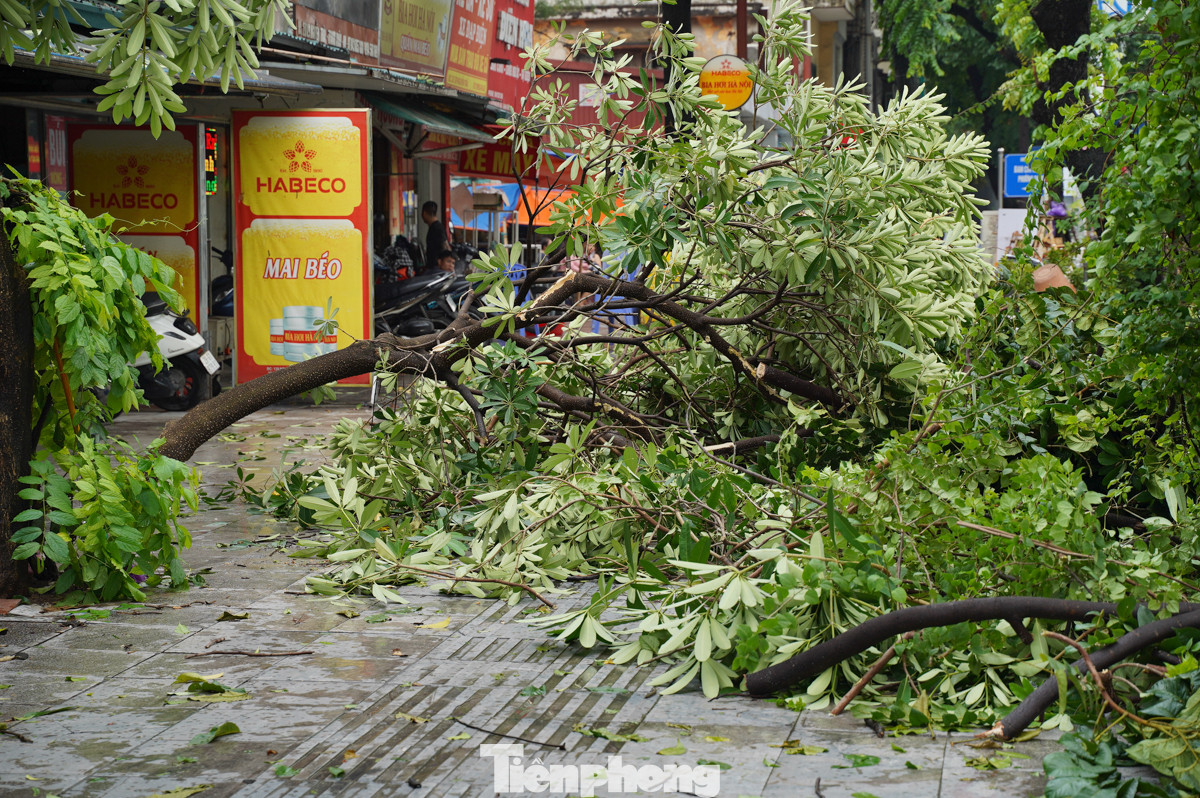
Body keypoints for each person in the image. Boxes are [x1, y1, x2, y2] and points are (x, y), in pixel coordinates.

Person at [421, 200, 447, 273]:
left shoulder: (437, 228)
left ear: (424, 213)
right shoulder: (437, 227)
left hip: (436, 269)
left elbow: (444, 246)